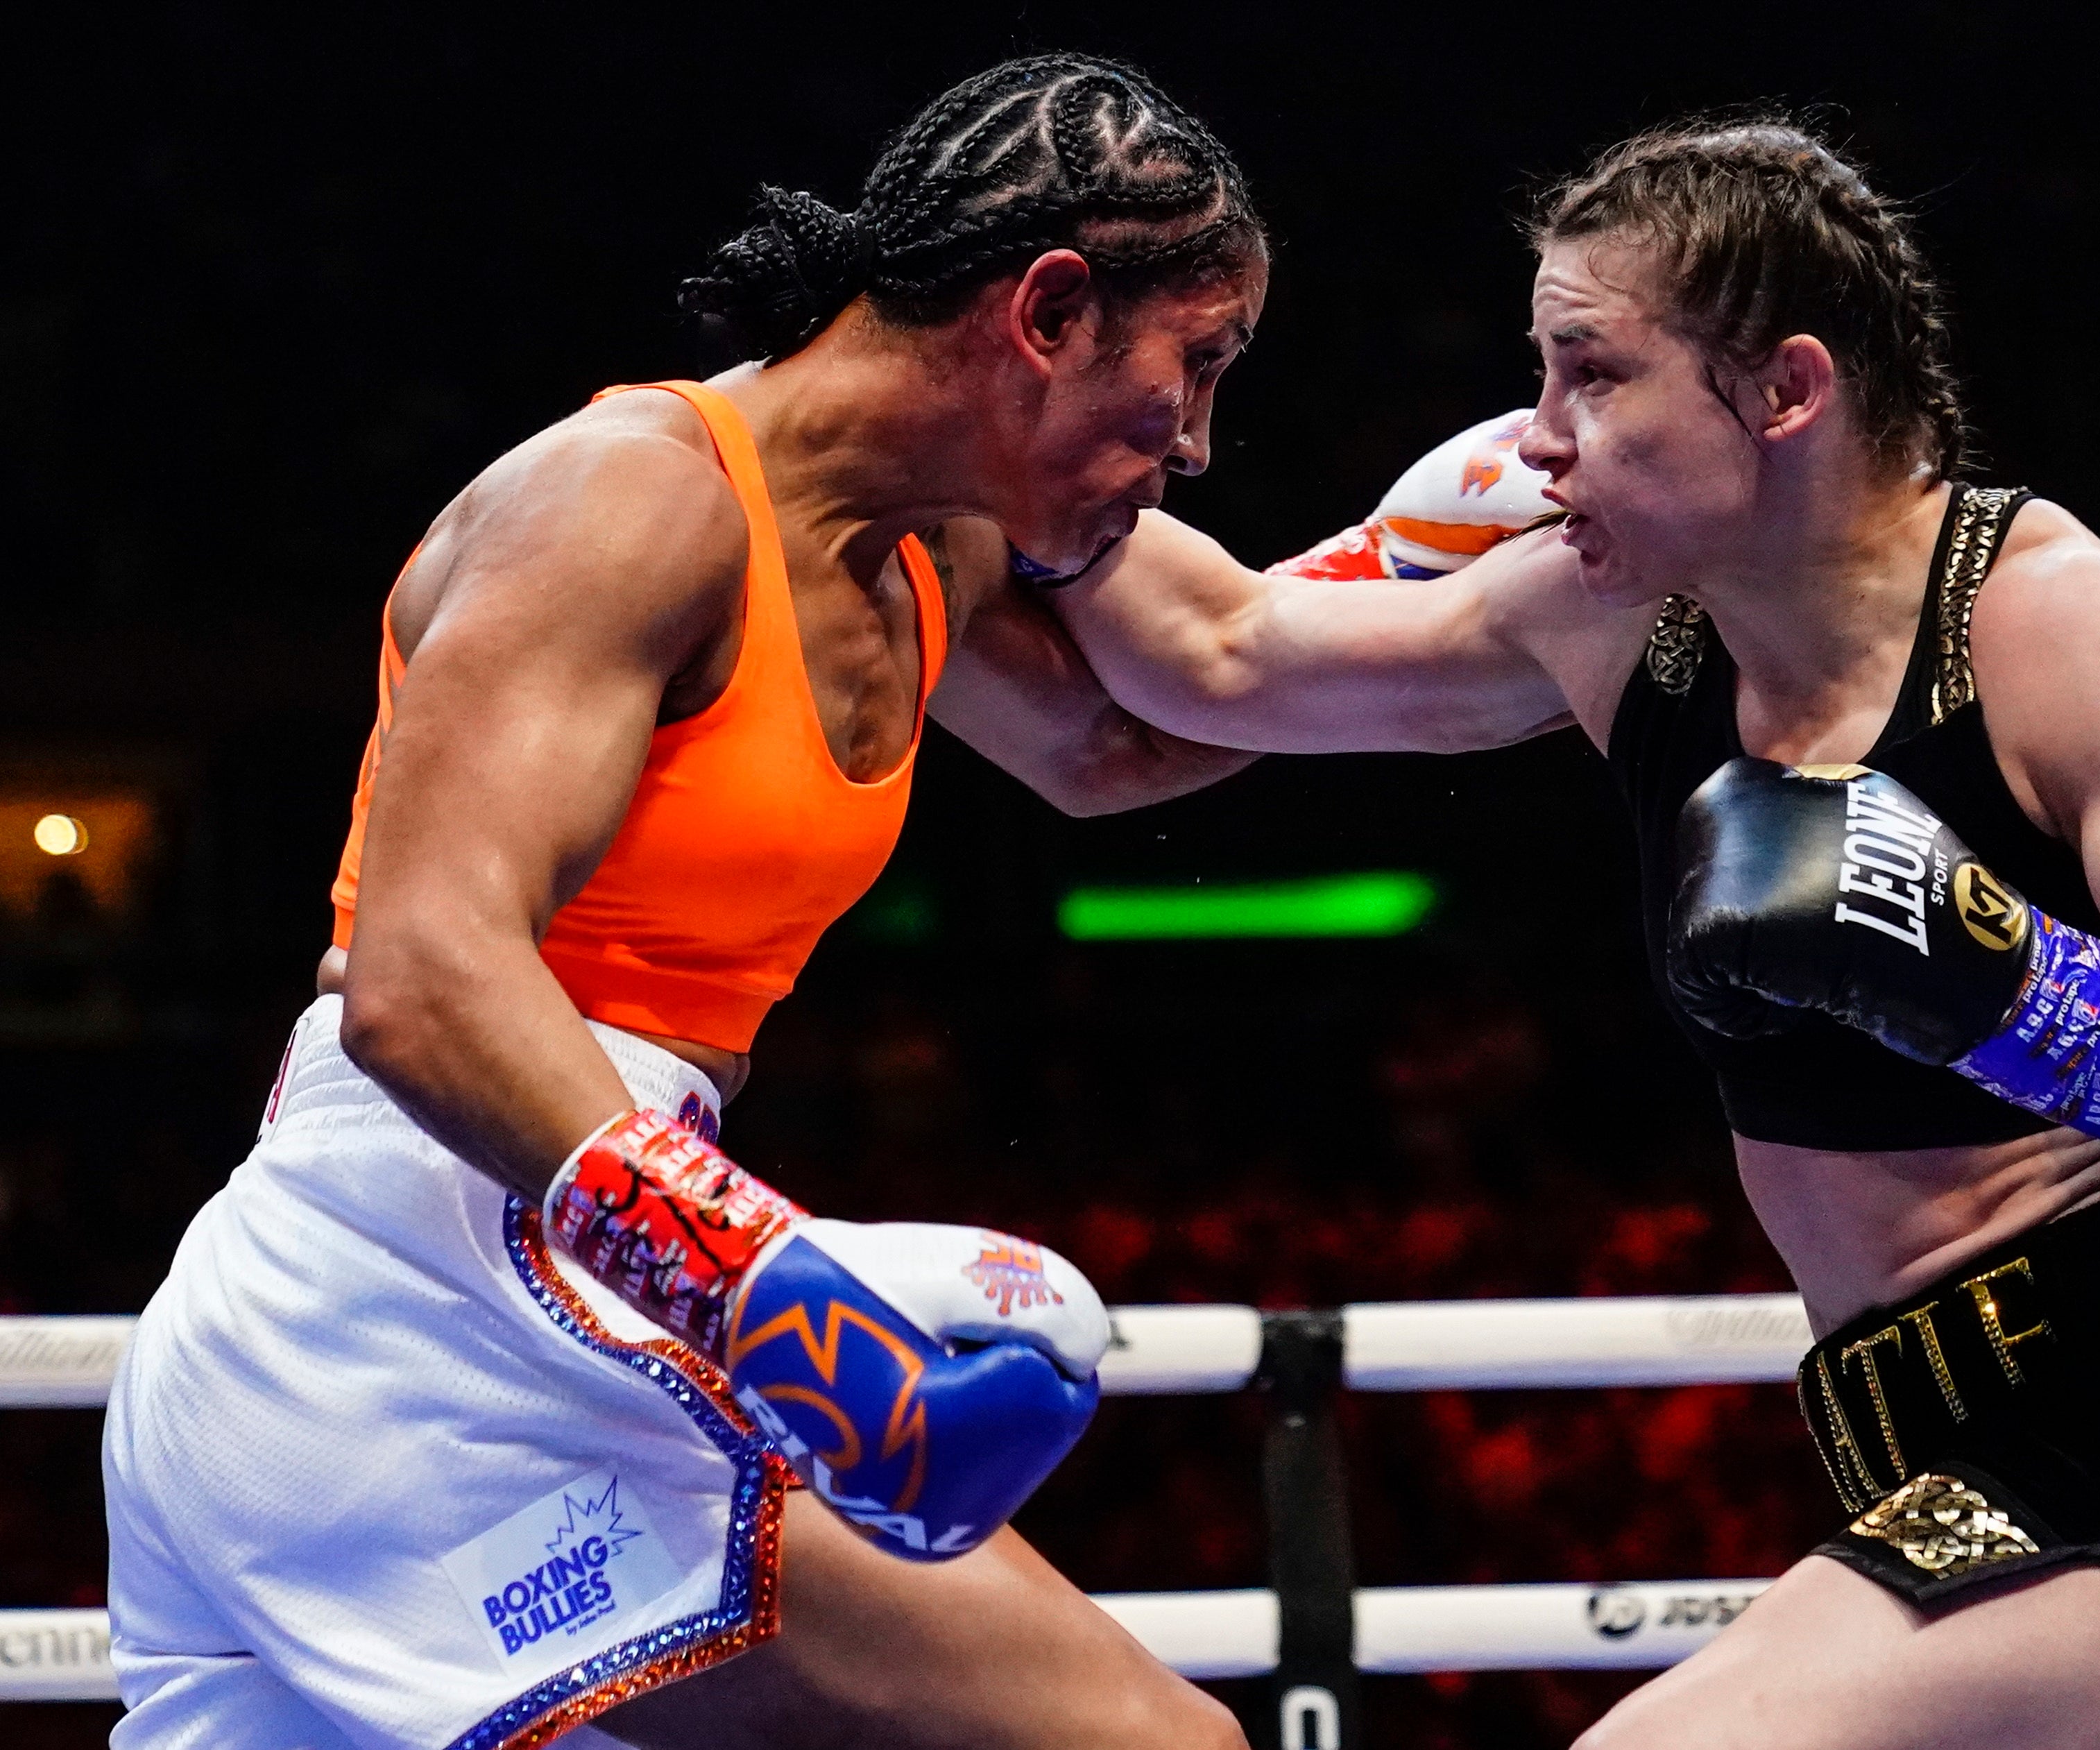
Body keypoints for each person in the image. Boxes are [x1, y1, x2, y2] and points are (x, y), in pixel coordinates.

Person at [1049, 118, 2100, 1749]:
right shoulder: (1616, 620)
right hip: (1939, 1455)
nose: (1536, 438)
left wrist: (2000, 976)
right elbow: (1215, 659)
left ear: (1782, 392)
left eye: (1592, 374)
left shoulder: (2058, 627)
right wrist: (1000, 446)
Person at [103, 54, 1261, 1750]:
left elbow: (1135, 731)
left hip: (527, 1264)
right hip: (421, 1275)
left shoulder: (915, 551)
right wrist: (760, 1278)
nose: (1203, 439)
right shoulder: (632, 497)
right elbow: (420, 980)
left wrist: (1563, 586)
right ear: (1051, 309)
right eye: (1198, 365)